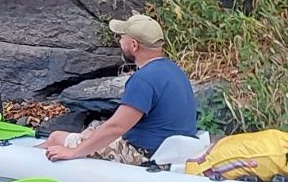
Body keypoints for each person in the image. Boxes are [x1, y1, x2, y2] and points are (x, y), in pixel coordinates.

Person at [45, 13, 198, 165]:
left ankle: (27, 166)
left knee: (56, 138)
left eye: (122, 37)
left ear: (134, 45)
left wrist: (74, 152)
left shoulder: (143, 80)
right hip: (171, 151)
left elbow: (116, 127)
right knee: (93, 127)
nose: (119, 41)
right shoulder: (174, 70)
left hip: (146, 156)